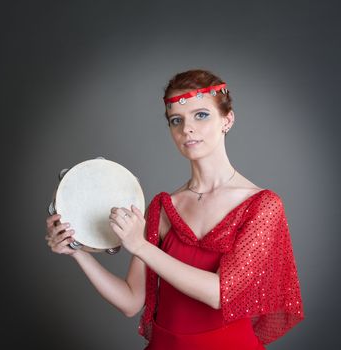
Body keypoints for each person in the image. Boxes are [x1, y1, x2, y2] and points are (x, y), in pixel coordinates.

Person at [45, 69, 304, 349]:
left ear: (227, 120)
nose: (186, 128)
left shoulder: (262, 206)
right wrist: (78, 252)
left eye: (201, 115)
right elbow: (131, 301)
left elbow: (220, 293)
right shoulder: (164, 206)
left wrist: (141, 246)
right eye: (176, 120)